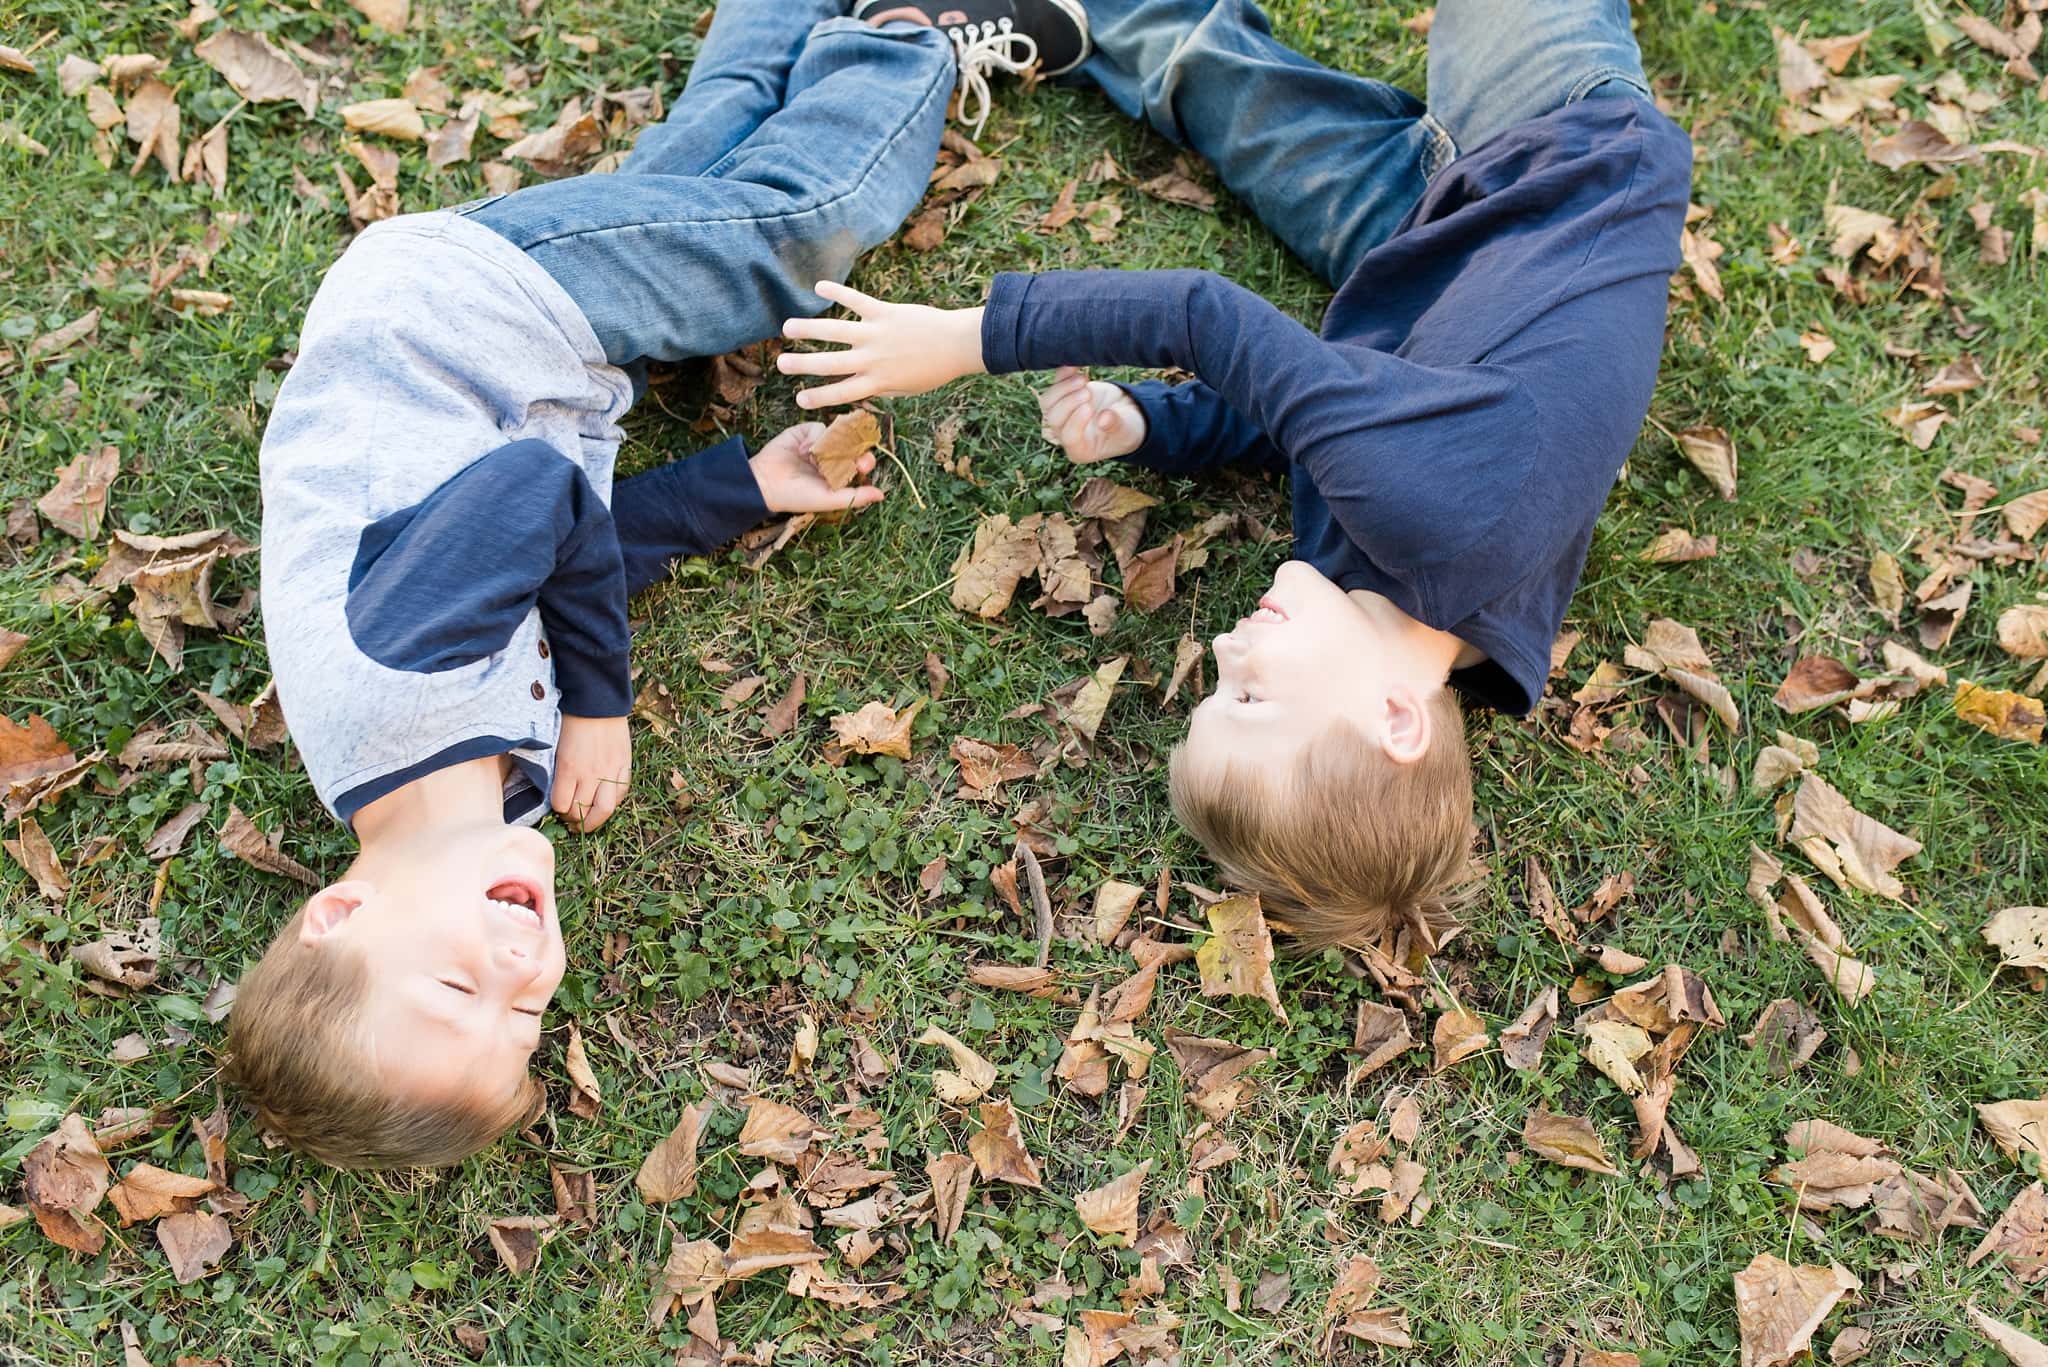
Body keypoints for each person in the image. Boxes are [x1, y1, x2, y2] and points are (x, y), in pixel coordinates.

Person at [229, 0, 1091, 1169]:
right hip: (533, 359)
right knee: (709, 170)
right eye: (524, 1021)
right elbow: (555, 561)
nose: (518, 976)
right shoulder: (477, 799)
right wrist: (742, 486)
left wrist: (598, 702)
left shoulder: (396, 686)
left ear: (339, 913)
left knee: (796, 231)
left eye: (454, 987)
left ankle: (906, 32)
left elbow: (537, 493)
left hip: (468, 314)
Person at [776, 0, 1691, 950]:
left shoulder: (1418, 613)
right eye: (1250, 698)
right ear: (1394, 721)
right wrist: (971, 337)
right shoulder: (1442, 520)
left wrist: (1146, 423)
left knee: (1241, 110)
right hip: (1564, 146)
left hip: (1420, 253)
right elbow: (1206, 318)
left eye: (1216, 689)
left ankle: (1091, 20)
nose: (1223, 654)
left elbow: (1315, 429)